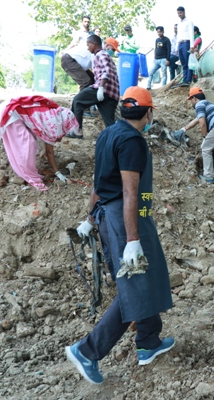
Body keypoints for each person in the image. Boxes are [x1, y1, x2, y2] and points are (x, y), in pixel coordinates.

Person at [66, 86, 174, 385]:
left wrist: (90, 219)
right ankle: (88, 351)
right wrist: (133, 240)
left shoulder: (108, 133)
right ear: (148, 113)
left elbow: (99, 181)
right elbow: (130, 192)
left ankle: (148, 341)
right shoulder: (132, 141)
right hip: (126, 217)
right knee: (135, 284)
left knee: (144, 277)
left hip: (113, 214)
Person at [0, 96, 76, 190]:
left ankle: (25, 169)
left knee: (27, 142)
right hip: (10, 112)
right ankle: (32, 177)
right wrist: (58, 173)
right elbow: (49, 151)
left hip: (11, 108)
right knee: (27, 144)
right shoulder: (53, 125)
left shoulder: (53, 115)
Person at [69, 35, 120, 139]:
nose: (88, 48)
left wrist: (100, 88)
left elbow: (106, 71)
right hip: (113, 94)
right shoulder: (106, 56)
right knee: (109, 122)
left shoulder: (101, 54)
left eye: (88, 45)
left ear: (94, 44)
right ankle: (117, 141)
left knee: (78, 101)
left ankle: (77, 131)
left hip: (104, 88)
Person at [176, 6, 194, 86]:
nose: (179, 14)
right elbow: (178, 35)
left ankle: (188, 80)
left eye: (180, 13)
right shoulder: (179, 23)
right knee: (183, 63)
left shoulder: (189, 22)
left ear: (184, 12)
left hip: (186, 43)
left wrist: (192, 46)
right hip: (180, 44)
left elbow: (191, 34)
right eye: (178, 13)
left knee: (187, 62)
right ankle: (184, 79)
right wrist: (177, 47)